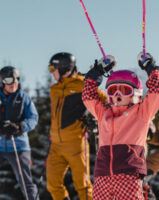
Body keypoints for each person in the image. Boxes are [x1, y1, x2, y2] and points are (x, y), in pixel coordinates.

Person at [82, 53, 159, 199]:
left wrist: (151, 69)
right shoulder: (104, 113)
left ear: (136, 94)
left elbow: (157, 92)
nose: (118, 95)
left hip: (128, 174)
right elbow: (88, 96)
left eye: (124, 90)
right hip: (102, 174)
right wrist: (97, 73)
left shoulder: (141, 112)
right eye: (113, 91)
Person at [46, 52, 107, 200]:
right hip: (56, 145)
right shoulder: (55, 89)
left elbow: (105, 102)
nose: (51, 72)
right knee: (53, 184)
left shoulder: (82, 85)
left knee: (83, 186)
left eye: (53, 68)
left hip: (76, 143)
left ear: (63, 68)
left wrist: (94, 119)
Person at [0, 66, 39, 200]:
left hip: (19, 146)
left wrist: (20, 127)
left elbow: (33, 118)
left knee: (25, 181)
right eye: (10, 80)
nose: (14, 83)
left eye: (17, 79)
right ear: (1, 82)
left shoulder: (24, 98)